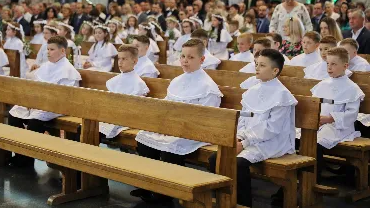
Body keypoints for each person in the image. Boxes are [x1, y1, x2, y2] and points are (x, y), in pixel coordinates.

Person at [133, 39, 223, 202]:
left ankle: (166, 194)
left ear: (202, 60)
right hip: (173, 127)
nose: (184, 60)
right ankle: (150, 185)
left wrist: (179, 125)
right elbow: (166, 106)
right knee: (144, 139)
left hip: (194, 131)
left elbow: (205, 118)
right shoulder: (177, 81)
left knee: (170, 148)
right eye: (182, 56)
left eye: (190, 57)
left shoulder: (208, 87)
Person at [210, 49, 297, 207]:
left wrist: (243, 143)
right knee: (215, 158)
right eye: (256, 64)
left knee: (237, 163)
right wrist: (238, 138)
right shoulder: (253, 90)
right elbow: (243, 119)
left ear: (275, 70)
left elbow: (272, 129)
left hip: (272, 142)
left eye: (262, 65)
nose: (257, 68)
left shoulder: (282, 95)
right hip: (248, 139)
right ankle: (223, 201)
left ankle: (243, 203)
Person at [8, 36, 81, 167]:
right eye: (47, 49)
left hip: (56, 107)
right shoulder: (47, 66)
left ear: (63, 51)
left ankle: (27, 158)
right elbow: (35, 85)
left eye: (52, 49)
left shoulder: (69, 71)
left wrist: (41, 102)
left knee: (34, 122)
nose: (48, 52)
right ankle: (20, 154)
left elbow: (66, 98)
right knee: (13, 115)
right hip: (40, 103)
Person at [301, 47, 364, 182]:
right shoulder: (323, 84)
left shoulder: (352, 88)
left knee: (314, 145)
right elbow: (314, 104)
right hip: (319, 124)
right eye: (328, 63)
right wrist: (314, 119)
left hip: (338, 127)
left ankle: (312, 182)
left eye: (334, 64)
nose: (329, 67)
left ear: (345, 66)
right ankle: (302, 179)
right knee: (300, 140)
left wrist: (330, 118)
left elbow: (352, 115)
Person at [99, 44, 150, 140]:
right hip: (111, 116)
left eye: (124, 59)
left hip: (127, 120)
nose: (120, 62)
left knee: (95, 131)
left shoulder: (139, 84)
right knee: (84, 127)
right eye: (119, 59)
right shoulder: (114, 81)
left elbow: (137, 109)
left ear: (134, 61)